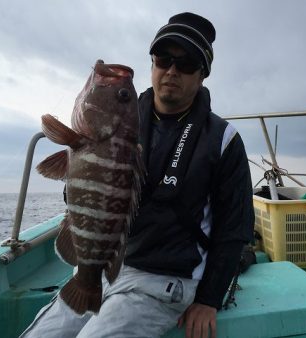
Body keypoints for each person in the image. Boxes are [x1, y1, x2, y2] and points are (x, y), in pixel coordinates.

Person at [20, 12, 254, 338]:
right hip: (107, 267)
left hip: (165, 281)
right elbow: (83, 192)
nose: (172, 70)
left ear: (202, 76)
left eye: (186, 64)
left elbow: (234, 228)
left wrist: (208, 299)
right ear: (153, 65)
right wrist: (83, 177)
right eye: (163, 59)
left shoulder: (223, 140)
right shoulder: (128, 116)